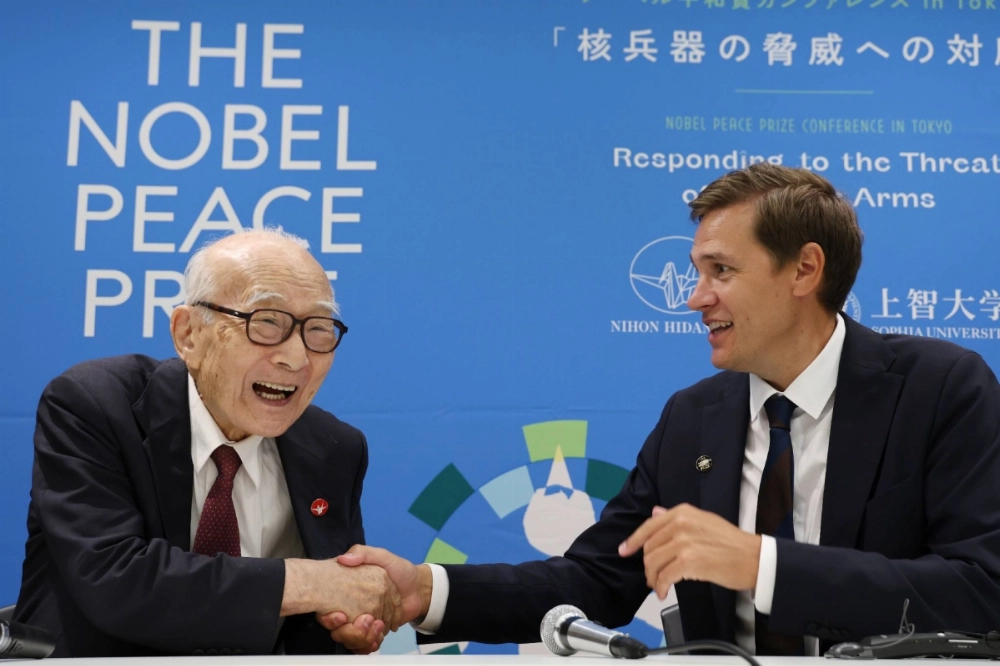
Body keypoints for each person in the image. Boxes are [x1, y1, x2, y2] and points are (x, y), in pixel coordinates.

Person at [325, 163, 1000, 654]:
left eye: (721, 272)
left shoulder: (941, 388)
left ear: (804, 270)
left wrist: (759, 564)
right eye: (696, 271)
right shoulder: (694, 417)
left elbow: (979, 587)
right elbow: (599, 578)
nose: (693, 298)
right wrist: (427, 591)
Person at [13, 228, 399, 656]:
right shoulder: (95, 406)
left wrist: (347, 626)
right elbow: (116, 581)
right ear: (189, 335)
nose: (297, 357)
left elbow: (321, 619)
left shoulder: (334, 449)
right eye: (266, 322)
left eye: (320, 329)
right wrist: (313, 581)